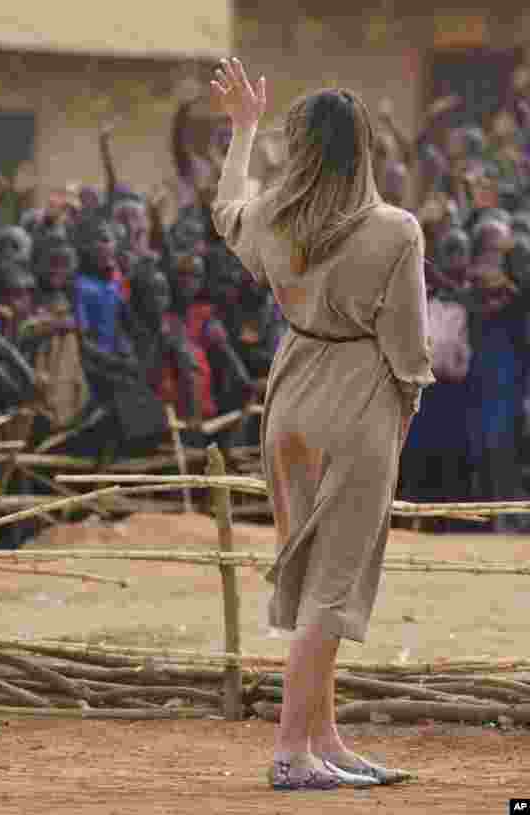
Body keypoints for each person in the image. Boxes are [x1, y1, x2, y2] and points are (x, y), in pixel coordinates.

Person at [210, 59, 432, 789]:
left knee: (312, 576)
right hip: (358, 394)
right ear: (364, 149)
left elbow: (225, 209)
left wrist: (243, 129)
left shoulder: (275, 217)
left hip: (290, 391)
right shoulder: (395, 231)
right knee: (334, 581)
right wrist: (401, 415)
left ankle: (324, 736)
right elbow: (408, 348)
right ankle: (290, 751)